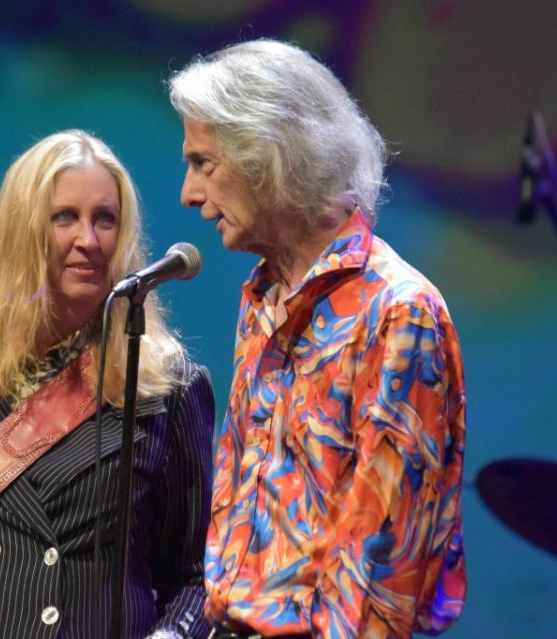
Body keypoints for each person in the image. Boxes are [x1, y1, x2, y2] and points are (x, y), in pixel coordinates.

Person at [169, 40, 467, 638]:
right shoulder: (262, 300)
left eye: (204, 163)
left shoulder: (398, 313)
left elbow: (383, 568)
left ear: (268, 153)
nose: (189, 194)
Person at [0, 130, 215, 638]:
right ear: (21, 232)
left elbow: (197, 579)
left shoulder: (166, 388)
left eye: (105, 219)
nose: (88, 241)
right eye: (65, 217)